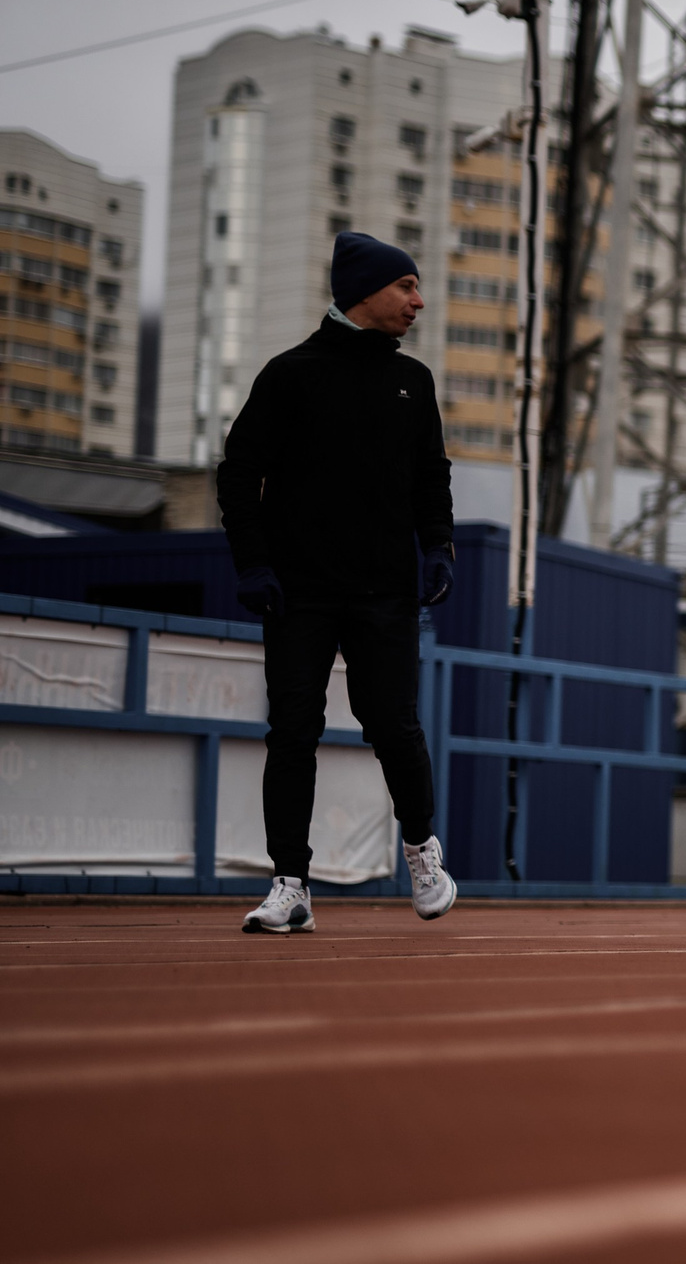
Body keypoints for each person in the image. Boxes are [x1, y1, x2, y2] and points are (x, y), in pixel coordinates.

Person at [217, 232, 460, 934]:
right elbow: (239, 471)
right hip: (300, 590)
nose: (418, 300)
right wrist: (253, 563)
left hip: (385, 591)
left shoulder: (414, 381)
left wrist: (437, 546)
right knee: (293, 730)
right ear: (364, 291)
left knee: (393, 726)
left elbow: (430, 477)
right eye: (406, 286)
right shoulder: (291, 374)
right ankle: (290, 885)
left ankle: (421, 851)